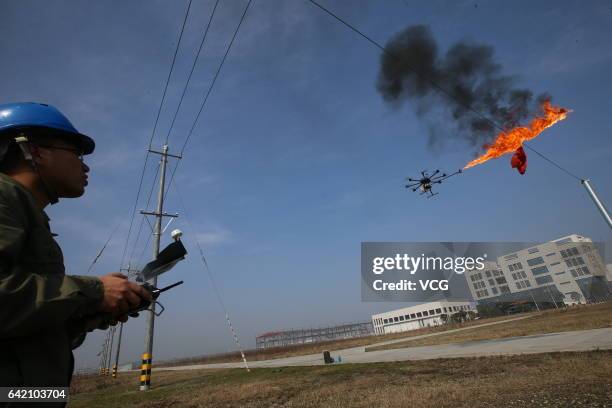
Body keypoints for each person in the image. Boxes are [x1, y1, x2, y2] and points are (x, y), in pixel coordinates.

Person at [0, 102, 151, 394]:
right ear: (35, 151)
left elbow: (22, 327)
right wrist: (94, 292)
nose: (85, 165)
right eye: (76, 153)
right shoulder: (4, 197)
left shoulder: (28, 213)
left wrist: (86, 313)